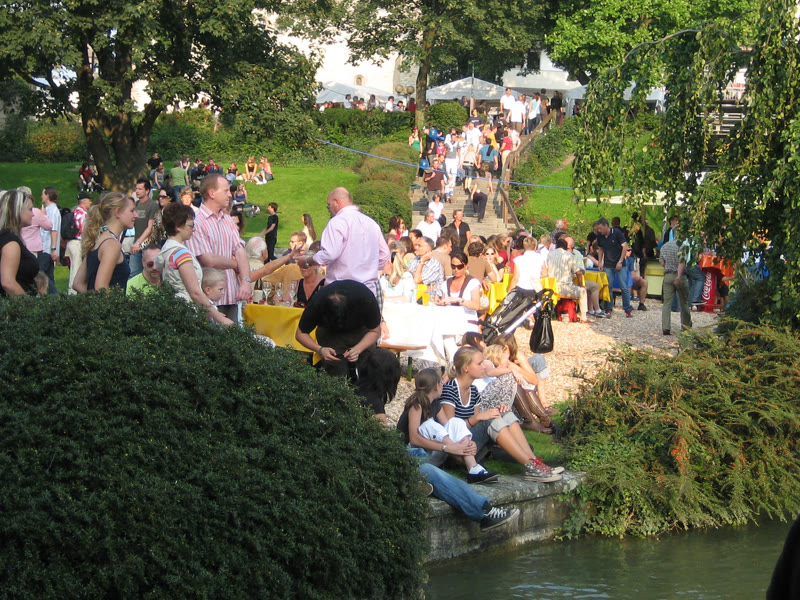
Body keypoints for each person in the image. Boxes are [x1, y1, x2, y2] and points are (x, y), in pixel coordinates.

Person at [437, 346, 561, 482]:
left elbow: (477, 420)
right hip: (456, 451)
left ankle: (534, 463)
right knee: (491, 419)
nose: (483, 366)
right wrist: (481, 417)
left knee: (504, 412)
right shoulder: (450, 390)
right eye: (479, 363)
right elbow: (451, 429)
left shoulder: (473, 390)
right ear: (466, 368)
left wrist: (495, 410)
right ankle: (531, 466)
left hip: (472, 443)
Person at [295, 280, 394, 423]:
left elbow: (375, 331)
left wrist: (358, 348)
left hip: (362, 332)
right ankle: (334, 417)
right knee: (336, 374)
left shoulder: (365, 297)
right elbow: (300, 333)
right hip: (330, 334)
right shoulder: (317, 302)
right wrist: (320, 349)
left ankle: (369, 418)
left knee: (367, 374)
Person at [397, 368, 498, 484]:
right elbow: (414, 439)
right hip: (414, 455)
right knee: (429, 424)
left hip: (433, 453)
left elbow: (449, 426)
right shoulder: (417, 405)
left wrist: (468, 442)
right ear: (436, 386)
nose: (443, 385)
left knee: (456, 421)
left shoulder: (435, 403)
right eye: (441, 382)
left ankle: (473, 468)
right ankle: (464, 454)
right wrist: (447, 447)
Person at [184, 174, 251, 318]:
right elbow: (208, 259)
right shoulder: (197, 222)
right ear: (212, 193)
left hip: (232, 295)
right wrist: (236, 265)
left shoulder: (227, 220)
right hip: (208, 299)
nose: (230, 195)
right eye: (225, 191)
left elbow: (240, 251)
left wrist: (246, 281)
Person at [303, 187, 391, 296]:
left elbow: (330, 253)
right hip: (368, 290)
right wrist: (369, 270)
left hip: (342, 292)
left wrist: (308, 261)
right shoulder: (371, 223)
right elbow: (385, 253)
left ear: (336, 202)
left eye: (328, 205)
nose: (329, 209)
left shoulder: (337, 222)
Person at [156, 203, 233, 325]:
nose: (194, 229)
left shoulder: (167, 249)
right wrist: (219, 317)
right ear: (178, 226)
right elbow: (195, 292)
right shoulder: (181, 254)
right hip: (186, 311)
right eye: (191, 225)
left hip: (172, 307)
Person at [72, 192, 135, 293]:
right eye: (132, 211)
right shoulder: (112, 245)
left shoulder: (97, 241)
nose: (136, 215)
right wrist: (118, 301)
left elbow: (77, 283)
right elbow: (101, 288)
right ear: (117, 212)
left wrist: (92, 298)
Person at [0, 189, 38, 296]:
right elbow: (8, 283)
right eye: (30, 209)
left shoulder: (8, 237)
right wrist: (29, 304)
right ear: (17, 210)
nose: (33, 214)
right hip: (14, 304)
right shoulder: (10, 241)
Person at [547, 237, 591, 323]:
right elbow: (578, 273)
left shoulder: (550, 254)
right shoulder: (569, 255)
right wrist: (581, 285)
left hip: (553, 288)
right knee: (583, 292)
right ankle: (583, 318)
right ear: (565, 247)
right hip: (566, 288)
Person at [595, 217, 633, 318]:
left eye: (600, 228)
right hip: (608, 264)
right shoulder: (600, 236)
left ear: (606, 226)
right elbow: (600, 248)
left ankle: (627, 309)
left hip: (619, 263)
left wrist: (620, 261)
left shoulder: (617, 233)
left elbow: (624, 246)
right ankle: (609, 308)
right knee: (608, 287)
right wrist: (600, 261)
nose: (599, 230)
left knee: (623, 287)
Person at [660, 235, 692, 336]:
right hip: (680, 276)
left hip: (668, 275)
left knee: (667, 303)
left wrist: (668, 267)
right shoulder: (683, 246)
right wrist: (678, 276)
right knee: (684, 302)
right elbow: (682, 262)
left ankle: (666, 327)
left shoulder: (665, 246)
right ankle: (686, 325)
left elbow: (662, 263)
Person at [129, 179, 158, 279]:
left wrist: (139, 242)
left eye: (140, 189)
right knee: (133, 273)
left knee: (148, 272)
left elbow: (150, 227)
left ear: (147, 191)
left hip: (148, 244)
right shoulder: (136, 205)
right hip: (136, 243)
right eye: (136, 189)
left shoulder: (153, 205)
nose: (137, 191)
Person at [65, 192, 92, 295]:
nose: (90, 202)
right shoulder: (83, 214)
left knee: (73, 268)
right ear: (84, 201)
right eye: (89, 200)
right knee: (76, 269)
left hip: (71, 242)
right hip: (77, 243)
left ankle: (72, 292)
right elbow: (83, 230)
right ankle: (73, 294)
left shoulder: (74, 212)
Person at [38, 186, 61, 294]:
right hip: (46, 247)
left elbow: (54, 230)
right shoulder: (48, 209)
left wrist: (53, 249)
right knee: (48, 275)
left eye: (43, 194)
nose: (41, 196)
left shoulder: (52, 211)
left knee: (41, 273)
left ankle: (54, 295)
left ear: (47, 195)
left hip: (47, 247)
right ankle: (52, 297)